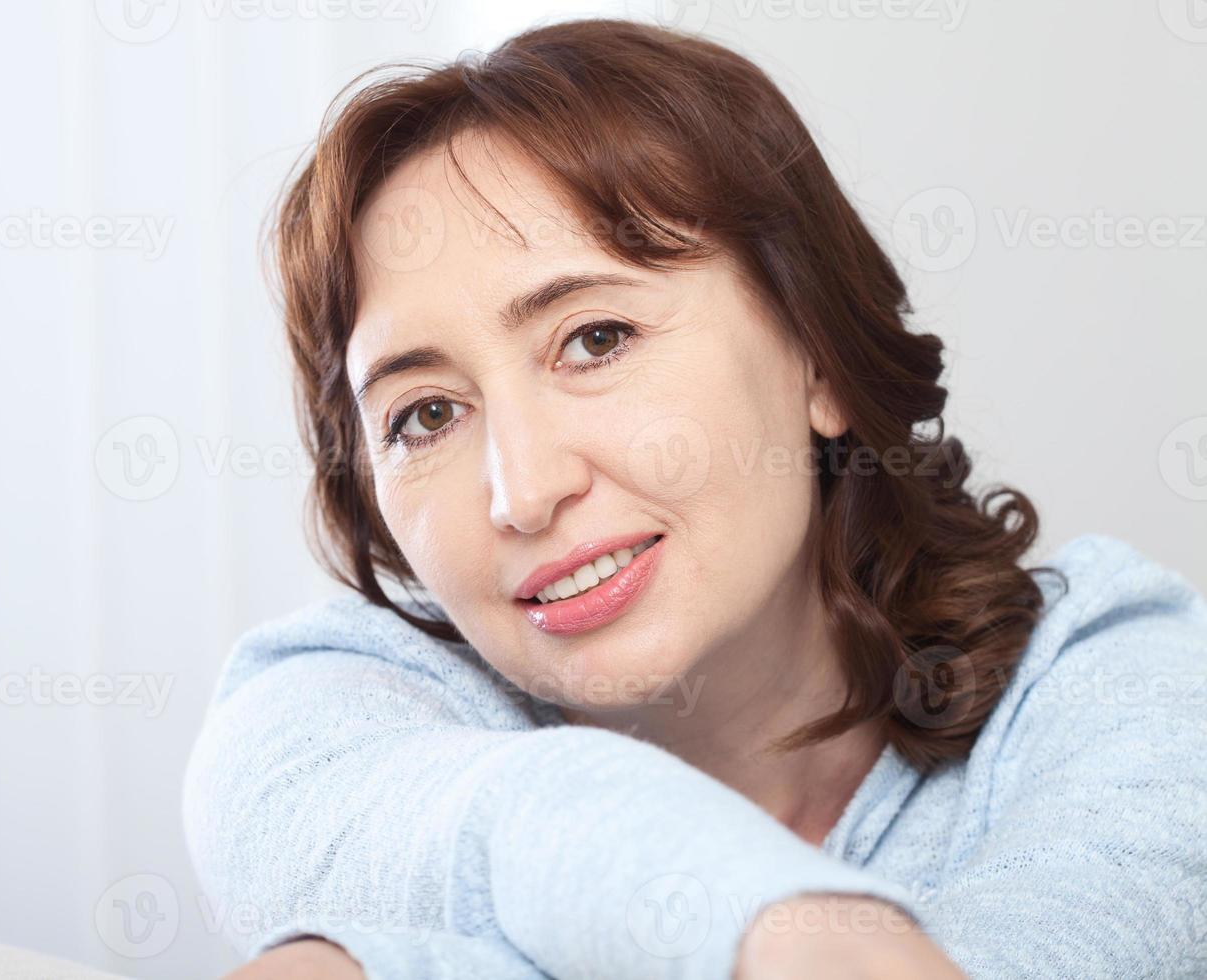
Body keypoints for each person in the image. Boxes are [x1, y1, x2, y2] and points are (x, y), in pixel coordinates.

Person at [184, 18, 1207, 979]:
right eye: (427, 416)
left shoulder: (1117, 678)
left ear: (819, 357)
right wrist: (771, 927)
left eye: (596, 339)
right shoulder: (335, 704)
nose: (526, 490)